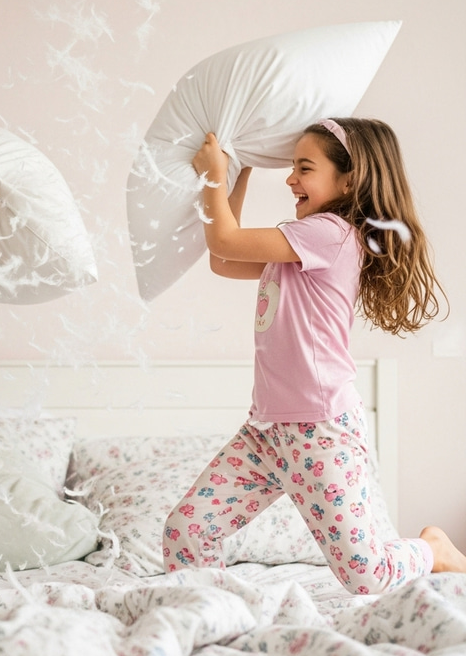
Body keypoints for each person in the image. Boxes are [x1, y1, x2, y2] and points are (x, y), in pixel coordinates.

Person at [162, 117, 466, 594]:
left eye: (304, 168)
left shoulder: (331, 233)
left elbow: (224, 240)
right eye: (290, 168)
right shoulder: (302, 243)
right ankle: (212, 611)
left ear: (349, 179)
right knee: (187, 530)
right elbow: (222, 258)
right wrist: (240, 167)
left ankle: (432, 550)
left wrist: (213, 176)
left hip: (320, 430)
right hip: (265, 431)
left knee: (366, 577)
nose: (290, 179)